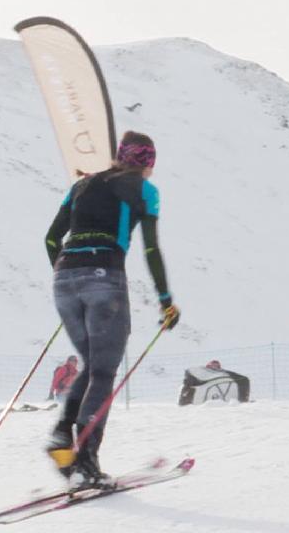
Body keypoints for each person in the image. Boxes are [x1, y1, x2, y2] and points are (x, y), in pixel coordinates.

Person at [43, 131, 181, 488]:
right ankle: (86, 460)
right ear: (148, 163)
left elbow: (50, 239)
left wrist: (70, 276)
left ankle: (62, 438)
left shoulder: (82, 185)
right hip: (105, 278)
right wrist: (166, 301)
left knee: (92, 364)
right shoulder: (145, 190)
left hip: (64, 279)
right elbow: (151, 250)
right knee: (103, 371)